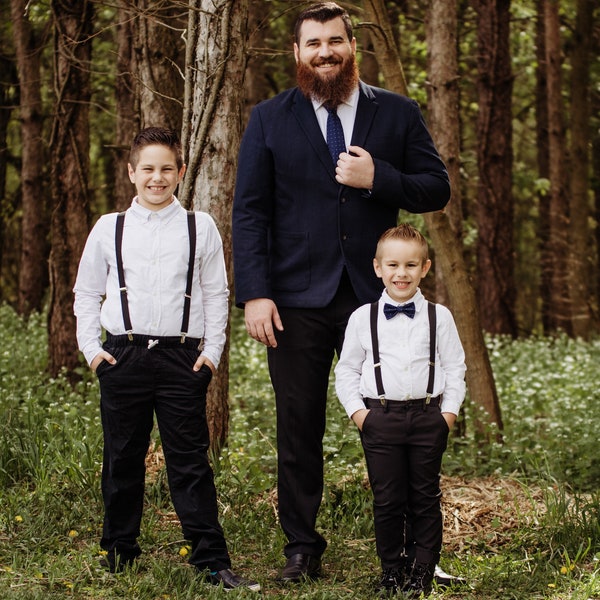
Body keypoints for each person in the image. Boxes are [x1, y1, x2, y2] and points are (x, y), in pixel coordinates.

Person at [232, 1, 451, 583]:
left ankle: (406, 554)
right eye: (313, 44)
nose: (325, 52)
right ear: (297, 53)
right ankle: (302, 549)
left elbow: (436, 187)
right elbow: (249, 212)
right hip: (294, 302)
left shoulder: (397, 113)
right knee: (297, 427)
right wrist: (254, 292)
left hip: (376, 300)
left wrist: (379, 177)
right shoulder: (268, 118)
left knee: (392, 425)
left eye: (335, 41)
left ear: (353, 45)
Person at [73, 127, 260, 592]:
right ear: (132, 173)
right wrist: (92, 351)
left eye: (166, 169)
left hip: (182, 360)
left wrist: (212, 353)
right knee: (122, 458)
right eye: (148, 170)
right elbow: (85, 293)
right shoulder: (108, 227)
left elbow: (217, 294)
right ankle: (119, 552)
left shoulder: (201, 227)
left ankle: (211, 560)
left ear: (180, 172)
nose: (157, 178)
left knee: (190, 463)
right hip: (123, 355)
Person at [335, 224, 466, 597]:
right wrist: (360, 415)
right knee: (388, 499)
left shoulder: (440, 317)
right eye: (393, 264)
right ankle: (392, 570)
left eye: (410, 265)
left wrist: (449, 414)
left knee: (425, 497)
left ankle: (422, 569)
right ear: (378, 267)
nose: (401, 273)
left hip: (428, 418)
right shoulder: (363, 317)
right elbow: (346, 370)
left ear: (424, 268)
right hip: (380, 419)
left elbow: (456, 368)